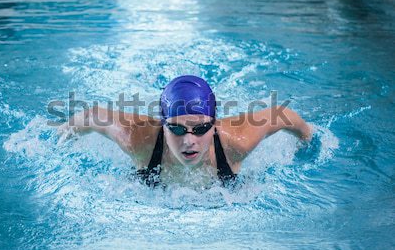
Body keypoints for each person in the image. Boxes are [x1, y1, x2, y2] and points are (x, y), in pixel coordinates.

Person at [58, 75, 312, 187]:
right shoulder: (138, 139)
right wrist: (58, 141)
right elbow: (91, 116)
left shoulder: (237, 142)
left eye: (200, 128)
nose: (189, 140)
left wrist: (308, 142)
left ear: (214, 125)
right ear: (163, 126)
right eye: (177, 129)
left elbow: (284, 116)